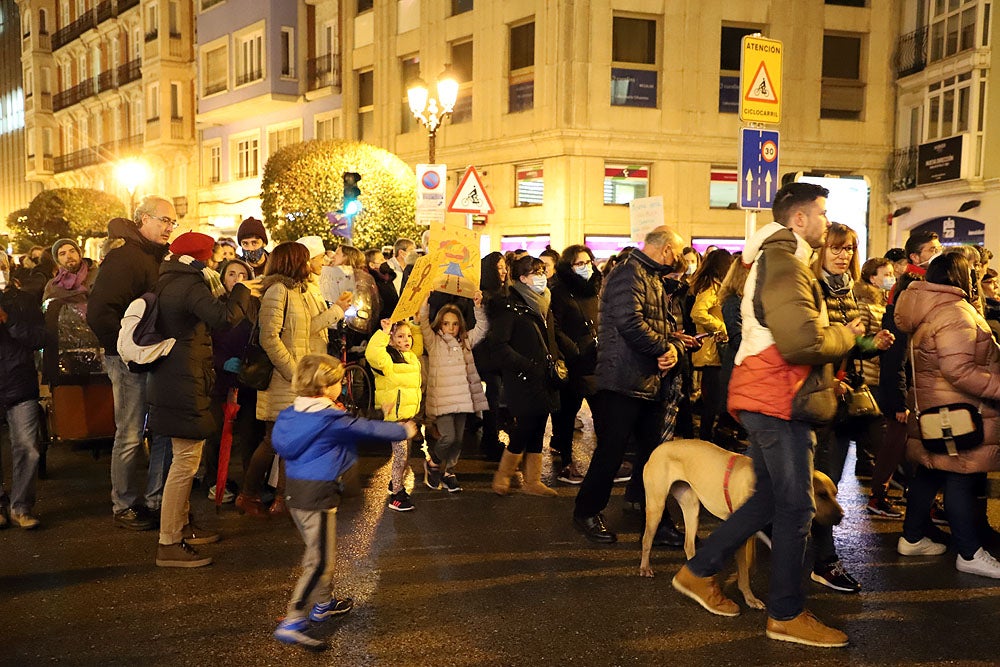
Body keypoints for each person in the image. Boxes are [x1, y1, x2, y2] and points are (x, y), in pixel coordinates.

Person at [673, 182, 860, 648]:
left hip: (769, 394)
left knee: (765, 502)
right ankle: (786, 613)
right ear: (799, 219)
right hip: (780, 396)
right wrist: (846, 334)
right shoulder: (784, 264)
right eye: (820, 212)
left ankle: (698, 572)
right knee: (795, 508)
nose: (824, 221)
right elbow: (801, 343)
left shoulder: (778, 260)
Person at [270, 353, 416, 649]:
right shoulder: (329, 419)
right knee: (319, 560)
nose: (341, 386)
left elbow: (351, 424)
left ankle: (323, 604)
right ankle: (294, 618)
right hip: (319, 495)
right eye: (338, 382)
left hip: (297, 494)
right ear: (326, 387)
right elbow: (363, 430)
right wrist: (402, 429)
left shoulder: (292, 415)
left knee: (320, 550)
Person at [572, 227, 688, 542]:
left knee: (654, 455)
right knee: (612, 450)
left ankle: (658, 523)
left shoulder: (650, 277)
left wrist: (673, 346)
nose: (678, 260)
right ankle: (586, 512)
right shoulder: (628, 274)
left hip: (646, 378)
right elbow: (631, 323)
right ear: (665, 249)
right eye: (676, 253)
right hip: (623, 379)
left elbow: (657, 325)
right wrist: (663, 348)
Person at [149, 232, 256, 568]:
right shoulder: (189, 284)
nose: (213, 262)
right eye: (210, 257)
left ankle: (181, 528)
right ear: (201, 257)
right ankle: (169, 541)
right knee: (184, 462)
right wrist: (243, 289)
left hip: (180, 376)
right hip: (184, 377)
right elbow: (223, 317)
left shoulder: (173, 278)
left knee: (185, 458)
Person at [894, 252, 1000, 578]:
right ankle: (969, 553)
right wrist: (997, 386)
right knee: (960, 475)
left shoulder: (927, 310)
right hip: (960, 411)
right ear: (961, 277)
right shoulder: (955, 312)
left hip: (934, 408)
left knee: (930, 471)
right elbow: (958, 369)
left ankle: (912, 537)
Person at [809, 224, 894, 593]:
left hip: (845, 399)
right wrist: (832, 377)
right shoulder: (811, 288)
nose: (844, 255)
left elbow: (849, 343)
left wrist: (871, 343)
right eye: (837, 248)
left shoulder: (850, 290)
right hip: (817, 395)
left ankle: (813, 552)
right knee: (820, 483)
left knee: (830, 482)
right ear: (821, 251)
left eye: (850, 249)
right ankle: (823, 560)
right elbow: (809, 344)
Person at [237, 242, 351, 518]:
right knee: (272, 441)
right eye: (305, 259)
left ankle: (283, 498)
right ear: (293, 262)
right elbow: (269, 338)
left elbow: (308, 328)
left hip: (301, 377)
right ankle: (249, 495)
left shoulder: (298, 290)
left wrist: (337, 310)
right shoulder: (277, 291)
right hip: (283, 378)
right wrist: (293, 372)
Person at [87, 199, 178, 530]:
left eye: (174, 223)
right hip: (127, 360)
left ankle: (150, 500)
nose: (170, 227)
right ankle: (124, 504)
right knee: (129, 432)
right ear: (144, 219)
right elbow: (99, 311)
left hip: (148, 358)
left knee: (148, 430)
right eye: (165, 220)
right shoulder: (126, 258)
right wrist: (125, 349)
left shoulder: (151, 256)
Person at [488, 256, 562, 497]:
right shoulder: (510, 307)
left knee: (539, 426)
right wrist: (526, 365)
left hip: (545, 376)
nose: (541, 277)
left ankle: (533, 480)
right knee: (526, 425)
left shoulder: (543, 303)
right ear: (522, 278)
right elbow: (498, 346)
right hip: (523, 377)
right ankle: (504, 474)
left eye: (542, 271)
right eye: (535, 273)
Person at [204, 257, 262, 504]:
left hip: (248, 380)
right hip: (220, 382)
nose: (237, 279)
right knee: (218, 435)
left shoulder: (258, 308)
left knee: (250, 434)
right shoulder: (214, 306)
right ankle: (217, 482)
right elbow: (204, 344)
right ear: (222, 277)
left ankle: (250, 487)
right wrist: (221, 362)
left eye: (242, 274)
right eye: (231, 274)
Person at [418, 291, 488, 492]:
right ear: (440, 323)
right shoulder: (434, 342)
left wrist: (477, 307)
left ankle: (449, 472)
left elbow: (482, 328)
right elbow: (423, 323)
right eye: (446, 323)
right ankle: (433, 463)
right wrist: (425, 303)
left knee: (458, 439)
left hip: (463, 399)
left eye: (455, 324)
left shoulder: (465, 342)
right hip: (442, 400)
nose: (451, 327)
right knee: (447, 437)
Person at [0, 251, 46, 529]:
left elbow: (39, 338)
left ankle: (21, 505)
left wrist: (9, 320)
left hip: (20, 382)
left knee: (28, 447)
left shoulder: (24, 300)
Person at [549, 244, 601, 484]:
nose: (586, 267)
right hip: (572, 360)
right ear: (568, 266)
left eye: (588, 262)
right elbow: (555, 326)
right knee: (567, 413)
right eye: (580, 263)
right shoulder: (559, 290)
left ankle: (605, 460)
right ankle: (566, 461)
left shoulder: (594, 288)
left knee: (602, 411)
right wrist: (573, 349)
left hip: (595, 358)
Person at [857, 257, 903, 518]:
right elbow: (860, 341)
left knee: (888, 442)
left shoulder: (885, 303)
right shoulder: (866, 305)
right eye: (885, 273)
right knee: (885, 441)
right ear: (871, 278)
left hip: (880, 378)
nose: (890, 277)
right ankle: (879, 496)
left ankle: (881, 493)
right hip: (870, 380)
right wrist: (877, 344)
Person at [365, 318, 423, 511]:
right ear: (391, 340)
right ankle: (397, 494)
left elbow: (419, 344)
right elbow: (372, 354)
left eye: (408, 335)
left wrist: (415, 322)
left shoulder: (411, 357)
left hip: (408, 416)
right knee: (400, 457)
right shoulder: (387, 361)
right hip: (394, 418)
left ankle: (394, 483)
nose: (407, 339)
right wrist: (384, 332)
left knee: (405, 456)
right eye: (400, 336)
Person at [689, 248, 733, 443]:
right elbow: (697, 312)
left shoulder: (717, 286)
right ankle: (705, 437)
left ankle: (708, 435)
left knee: (714, 398)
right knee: (712, 401)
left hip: (715, 351)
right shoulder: (711, 288)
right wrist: (721, 328)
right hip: (710, 352)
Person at [474, 252, 510, 462]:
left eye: (505, 267)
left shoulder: (505, 291)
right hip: (487, 355)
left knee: (495, 398)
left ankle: (490, 437)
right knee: (492, 397)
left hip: (500, 354)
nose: (503, 271)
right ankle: (489, 440)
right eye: (499, 267)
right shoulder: (484, 295)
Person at [43, 238, 99, 302]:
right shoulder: (53, 286)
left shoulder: (98, 275)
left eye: (72, 251)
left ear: (79, 254)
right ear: (58, 260)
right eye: (62, 254)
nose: (69, 256)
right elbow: (47, 308)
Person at [981, 268, 1000, 340]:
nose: (996, 286)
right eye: (990, 282)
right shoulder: (987, 309)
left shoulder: (996, 304)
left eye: (996, 282)